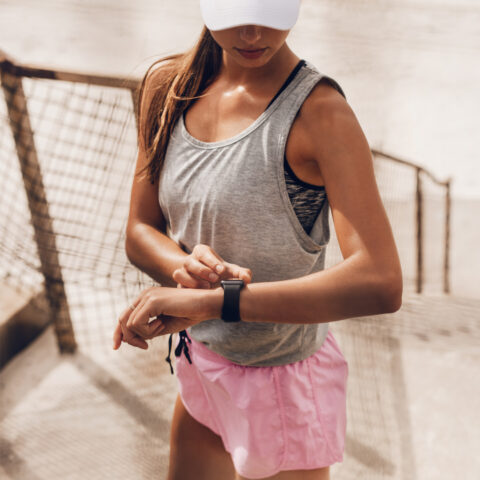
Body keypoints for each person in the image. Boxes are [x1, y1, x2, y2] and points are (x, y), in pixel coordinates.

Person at [112, 0, 403, 478]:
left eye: (270, 9)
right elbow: (140, 230)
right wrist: (184, 270)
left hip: (283, 384)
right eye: (235, 11)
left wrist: (215, 303)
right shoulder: (167, 88)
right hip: (202, 362)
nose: (251, 32)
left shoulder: (322, 115)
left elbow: (380, 280)